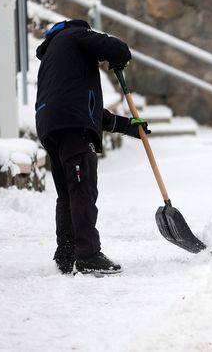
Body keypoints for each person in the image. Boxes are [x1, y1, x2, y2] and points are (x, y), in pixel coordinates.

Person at [35, 19, 150, 275]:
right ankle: (87, 254)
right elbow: (116, 48)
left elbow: (86, 108)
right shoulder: (75, 35)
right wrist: (119, 58)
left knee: (68, 192)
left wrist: (127, 126)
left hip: (51, 125)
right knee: (82, 188)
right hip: (72, 125)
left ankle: (66, 253)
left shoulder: (54, 55)